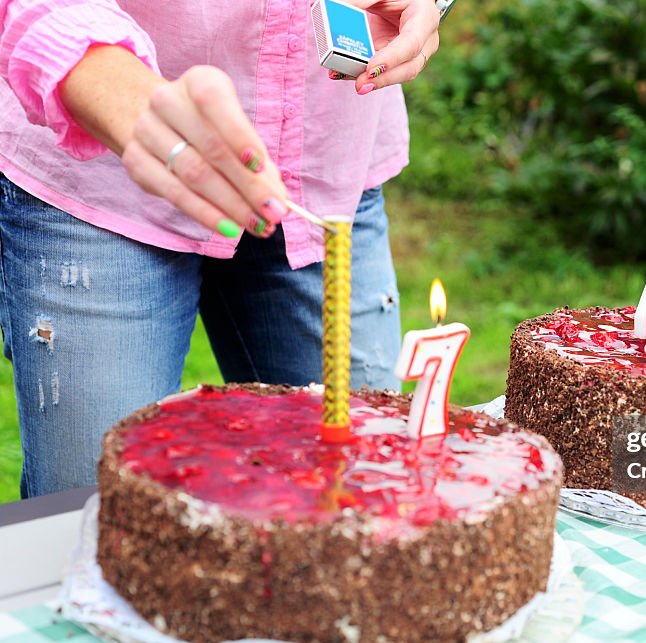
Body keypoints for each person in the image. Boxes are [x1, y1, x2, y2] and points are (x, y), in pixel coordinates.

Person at [0, 0, 441, 498]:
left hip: (326, 165)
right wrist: (108, 82)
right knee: (96, 512)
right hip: (100, 174)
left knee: (361, 496)